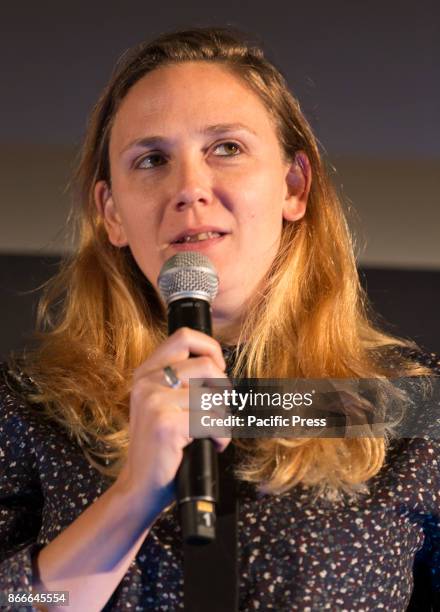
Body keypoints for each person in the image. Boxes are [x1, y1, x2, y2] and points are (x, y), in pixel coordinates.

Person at [0, 26, 439, 611]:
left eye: (226, 148)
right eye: (152, 159)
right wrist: (130, 500)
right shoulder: (32, 407)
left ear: (293, 185)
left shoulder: (410, 405)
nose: (189, 188)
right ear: (112, 214)